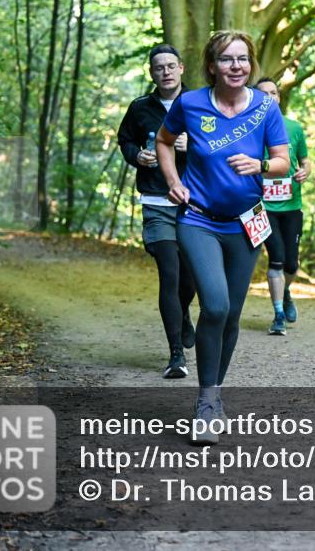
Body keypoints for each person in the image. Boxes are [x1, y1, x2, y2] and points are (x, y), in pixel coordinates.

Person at [156, 30, 290, 445]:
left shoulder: (266, 107)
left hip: (246, 222)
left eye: (244, 60)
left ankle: (211, 398)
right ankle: (207, 401)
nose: (237, 67)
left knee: (230, 314)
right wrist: (173, 181)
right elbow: (163, 141)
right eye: (228, 60)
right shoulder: (191, 103)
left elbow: (285, 163)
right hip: (198, 220)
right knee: (214, 303)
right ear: (212, 66)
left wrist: (261, 164)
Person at [117, 44, 197, 379]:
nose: (164, 72)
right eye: (158, 67)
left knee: (190, 278)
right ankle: (176, 354)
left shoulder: (200, 104)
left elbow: (223, 146)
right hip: (156, 201)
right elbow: (125, 141)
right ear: (152, 73)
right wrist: (137, 156)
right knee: (169, 273)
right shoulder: (139, 108)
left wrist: (193, 144)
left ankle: (184, 313)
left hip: (195, 205)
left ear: (180, 68)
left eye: (170, 66)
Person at [254, 77, 311, 336]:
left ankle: (286, 292)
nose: (269, 98)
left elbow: (305, 161)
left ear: (279, 97)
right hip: (262, 207)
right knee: (276, 258)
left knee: (291, 264)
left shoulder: (294, 128)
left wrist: (305, 172)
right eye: (263, 94)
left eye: (273, 93)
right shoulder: (249, 129)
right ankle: (278, 314)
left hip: (291, 205)